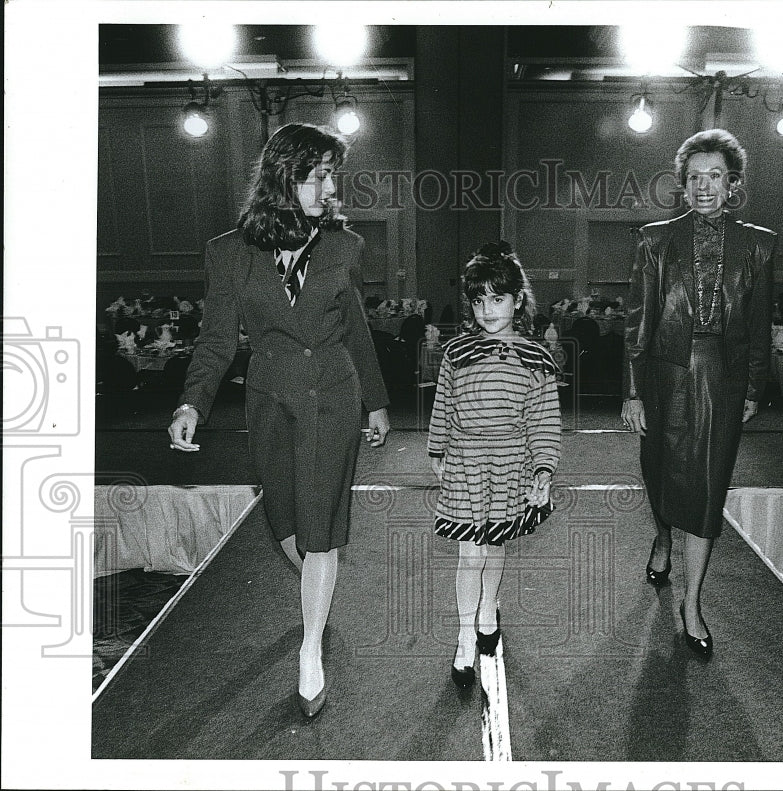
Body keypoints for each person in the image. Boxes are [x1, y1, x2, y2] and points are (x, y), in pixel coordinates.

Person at [167, 123, 390, 718]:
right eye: (316, 175)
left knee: (319, 526)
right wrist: (192, 403)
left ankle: (310, 649)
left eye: (332, 175)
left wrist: (376, 399)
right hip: (269, 400)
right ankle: (320, 582)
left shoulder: (345, 247)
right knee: (287, 527)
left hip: (333, 396)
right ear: (281, 177)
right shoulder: (229, 252)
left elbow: (358, 329)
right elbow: (215, 341)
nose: (328, 187)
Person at [621, 128, 775, 658]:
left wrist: (753, 387)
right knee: (660, 473)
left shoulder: (759, 244)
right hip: (665, 377)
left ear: (733, 183)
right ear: (681, 185)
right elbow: (637, 323)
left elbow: (759, 324)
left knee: (709, 490)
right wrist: (633, 391)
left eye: (715, 176)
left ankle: (691, 605)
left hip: (724, 381)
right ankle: (663, 537)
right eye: (694, 177)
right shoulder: (655, 239)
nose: (704, 187)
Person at [427, 242, 561, 688]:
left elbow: (543, 418)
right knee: (469, 553)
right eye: (479, 300)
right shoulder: (456, 353)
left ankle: (488, 615)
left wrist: (543, 469)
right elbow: (443, 403)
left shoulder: (536, 357)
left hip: (510, 463)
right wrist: (437, 449)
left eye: (498, 299)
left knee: (495, 545)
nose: (487, 310)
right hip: (466, 460)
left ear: (518, 299)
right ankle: (465, 637)